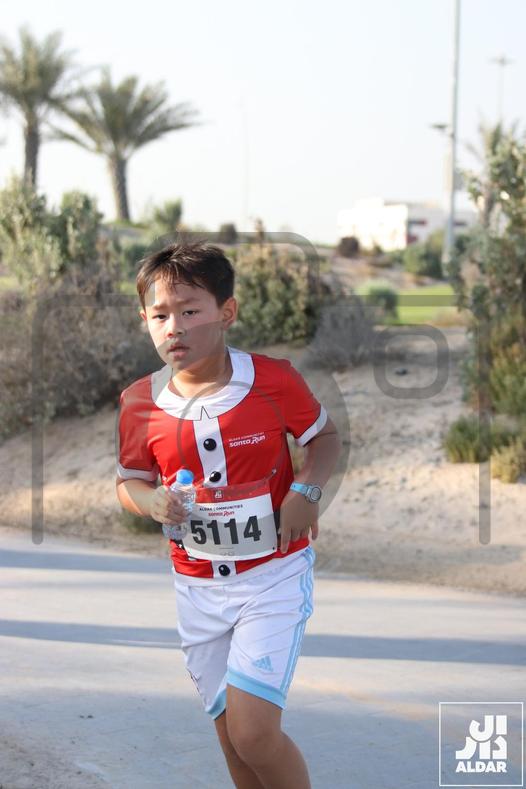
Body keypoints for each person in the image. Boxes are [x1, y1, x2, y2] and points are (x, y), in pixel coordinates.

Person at [116, 241, 342, 789]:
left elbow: (324, 439)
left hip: (272, 578)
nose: (175, 327)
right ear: (144, 321)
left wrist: (306, 492)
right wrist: (151, 502)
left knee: (255, 734)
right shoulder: (139, 403)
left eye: (191, 310)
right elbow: (129, 482)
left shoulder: (273, 380)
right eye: (160, 316)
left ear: (227, 311)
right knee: (233, 745)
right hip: (196, 590)